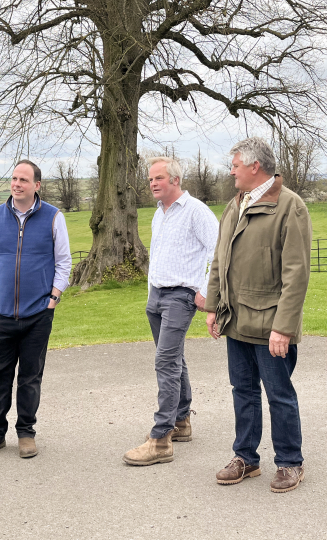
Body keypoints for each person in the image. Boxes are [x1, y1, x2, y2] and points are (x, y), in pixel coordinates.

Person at [204, 137, 312, 493]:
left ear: (254, 167)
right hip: (236, 319)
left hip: (270, 324)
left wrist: (283, 327)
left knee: (279, 393)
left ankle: (289, 462)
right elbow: (221, 260)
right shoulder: (235, 204)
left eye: (235, 165)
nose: (231, 171)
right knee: (243, 391)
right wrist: (213, 307)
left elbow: (296, 272)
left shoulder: (289, 206)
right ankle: (245, 458)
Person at [0, 160, 72, 459]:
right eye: (14, 178)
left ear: (36, 185)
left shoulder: (53, 217)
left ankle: (26, 432)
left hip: (38, 314)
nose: (17, 184)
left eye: (24, 180)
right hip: (0, 314)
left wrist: (53, 298)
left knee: (30, 377)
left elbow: (63, 262)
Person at [123, 156, 218, 466]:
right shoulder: (159, 214)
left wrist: (205, 289)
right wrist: (151, 288)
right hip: (157, 295)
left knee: (165, 361)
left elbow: (217, 250)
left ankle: (161, 438)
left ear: (175, 180)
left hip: (181, 295)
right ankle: (181, 421)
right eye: (150, 179)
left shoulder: (196, 212)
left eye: (159, 178)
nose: (152, 183)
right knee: (174, 358)